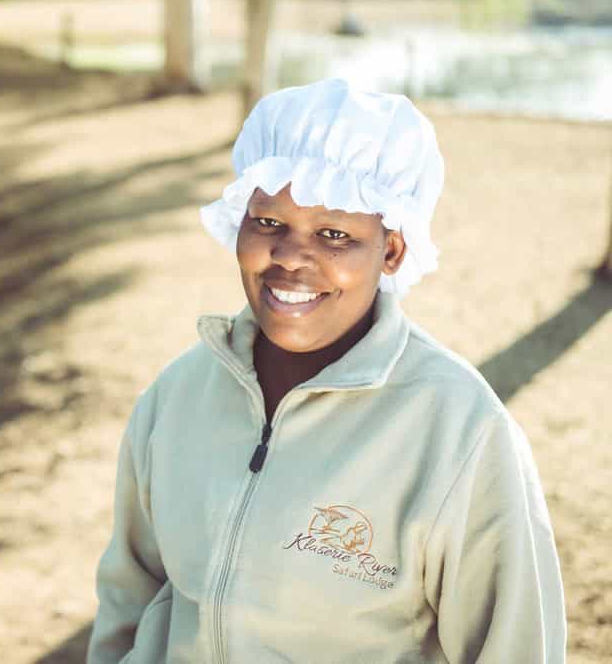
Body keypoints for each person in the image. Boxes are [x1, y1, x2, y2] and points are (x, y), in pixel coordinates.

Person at [86, 79, 566, 663]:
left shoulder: (460, 431)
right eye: (268, 222)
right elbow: (129, 596)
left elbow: (515, 647)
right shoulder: (177, 395)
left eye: (334, 234)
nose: (290, 257)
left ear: (392, 251)